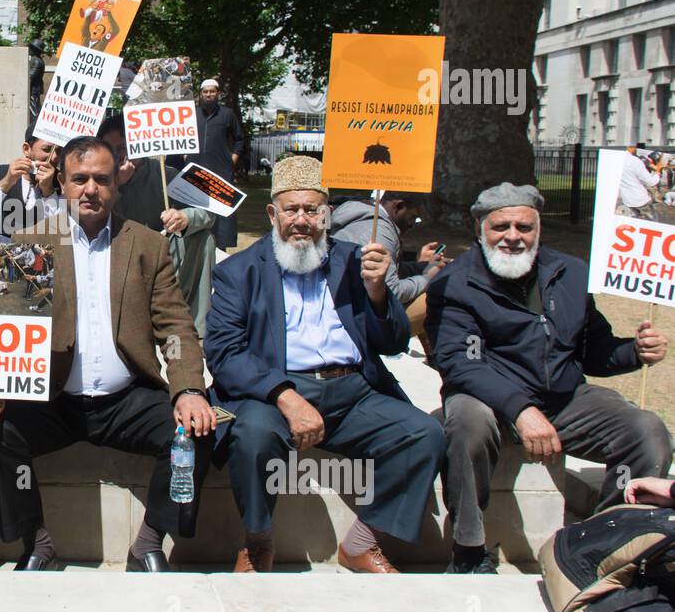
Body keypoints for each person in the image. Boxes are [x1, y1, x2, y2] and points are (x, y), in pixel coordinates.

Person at [0, 135, 216, 572]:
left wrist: (189, 389)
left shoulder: (146, 245)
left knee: (194, 432)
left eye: (101, 179)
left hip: (127, 399)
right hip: (54, 398)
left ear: (116, 185)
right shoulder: (28, 244)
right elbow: (4, 328)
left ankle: (149, 541)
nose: (90, 189)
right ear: (61, 183)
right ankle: (37, 541)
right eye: (79, 179)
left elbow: (175, 326)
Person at [206, 156, 446, 574]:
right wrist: (286, 398)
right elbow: (225, 353)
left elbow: (391, 342)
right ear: (272, 213)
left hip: (353, 390)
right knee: (253, 436)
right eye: (291, 209)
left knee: (424, 433)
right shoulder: (238, 272)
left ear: (327, 214)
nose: (302, 220)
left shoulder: (357, 262)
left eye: (312, 209)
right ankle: (257, 542)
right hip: (276, 390)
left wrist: (377, 293)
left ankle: (361, 543)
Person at [427, 183, 671, 574]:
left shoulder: (571, 274)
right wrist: (521, 410)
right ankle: (469, 549)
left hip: (562, 400)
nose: (512, 236)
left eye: (524, 227)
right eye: (500, 226)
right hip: (487, 398)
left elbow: (594, 348)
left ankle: (605, 543)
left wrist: (634, 352)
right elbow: (460, 363)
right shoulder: (454, 283)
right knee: (466, 425)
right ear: (480, 228)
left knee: (646, 430)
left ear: (538, 228)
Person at [97, 114, 216, 337]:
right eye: (111, 148)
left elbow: (208, 211)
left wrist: (186, 217)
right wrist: (116, 185)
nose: (119, 155)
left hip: (159, 255)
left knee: (204, 239)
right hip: (115, 256)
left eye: (124, 147)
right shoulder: (96, 178)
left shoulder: (167, 174)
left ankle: (196, 328)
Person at [330, 191, 449, 340]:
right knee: (437, 293)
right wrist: (427, 278)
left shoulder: (366, 219)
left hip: (349, 306)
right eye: (413, 217)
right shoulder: (379, 230)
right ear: (399, 207)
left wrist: (423, 265)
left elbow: (389, 270)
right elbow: (392, 291)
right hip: (356, 320)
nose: (413, 224)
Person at [182, 78, 243, 250]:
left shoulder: (227, 114)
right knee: (194, 207)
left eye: (212, 91)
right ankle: (194, 247)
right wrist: (184, 154)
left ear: (218, 93)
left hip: (221, 170)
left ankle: (220, 248)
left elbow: (239, 139)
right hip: (195, 170)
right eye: (205, 91)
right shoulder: (191, 114)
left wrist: (234, 158)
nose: (209, 94)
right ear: (200, 94)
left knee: (222, 212)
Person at [0, 128, 62, 240]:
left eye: (59, 151)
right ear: (27, 149)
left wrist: (48, 192)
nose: (54, 157)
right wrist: (6, 182)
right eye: (47, 149)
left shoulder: (63, 182)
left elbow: (60, 234)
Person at [617, 148, 662, 219]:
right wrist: (658, 172)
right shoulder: (634, 160)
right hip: (641, 200)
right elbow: (652, 182)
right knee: (651, 224)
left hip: (627, 200)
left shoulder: (616, 159)